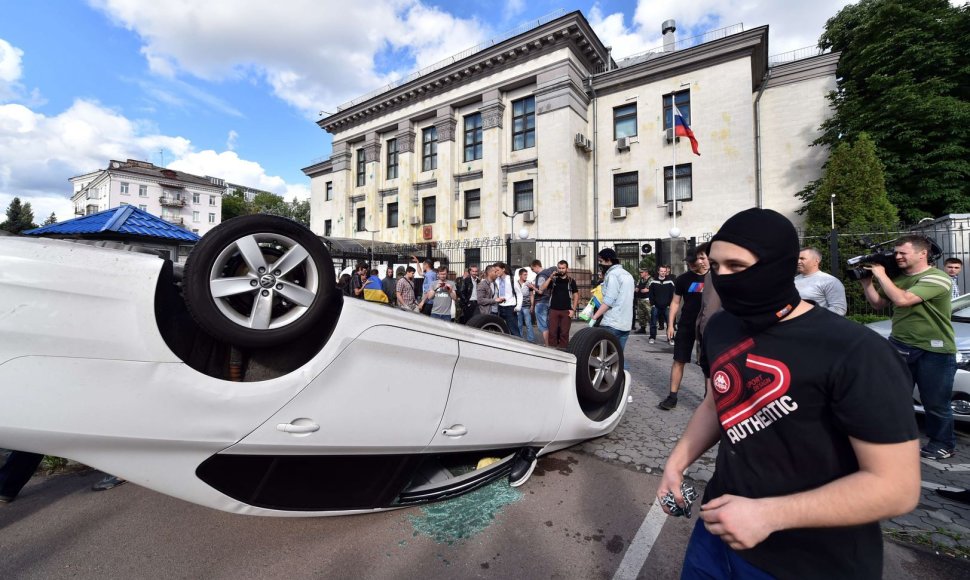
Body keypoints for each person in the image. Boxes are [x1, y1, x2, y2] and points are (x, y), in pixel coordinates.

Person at [658, 208, 920, 580]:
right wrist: (676, 462)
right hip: (717, 533)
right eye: (716, 266)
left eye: (737, 265)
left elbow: (896, 487)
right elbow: (721, 399)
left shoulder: (857, 352)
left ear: (779, 266)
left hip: (810, 560)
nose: (724, 277)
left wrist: (769, 515)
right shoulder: (722, 328)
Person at [860, 234, 958, 460]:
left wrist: (882, 275)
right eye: (896, 253)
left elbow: (903, 300)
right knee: (894, 397)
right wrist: (867, 283)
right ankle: (897, 441)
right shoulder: (900, 278)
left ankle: (943, 444)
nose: (897, 257)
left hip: (935, 350)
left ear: (922, 253)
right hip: (900, 345)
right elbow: (878, 304)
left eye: (903, 253)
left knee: (935, 402)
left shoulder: (938, 278)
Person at [659, 246, 709, 410]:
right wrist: (670, 325)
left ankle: (708, 400)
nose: (690, 265)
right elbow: (674, 302)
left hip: (708, 325)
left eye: (693, 261)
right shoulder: (683, 279)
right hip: (687, 324)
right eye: (688, 262)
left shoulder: (716, 277)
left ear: (702, 260)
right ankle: (672, 397)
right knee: (679, 360)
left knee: (707, 364)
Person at [589, 248, 635, 350]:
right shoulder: (628, 275)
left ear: (608, 260)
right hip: (626, 323)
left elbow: (608, 301)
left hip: (612, 323)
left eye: (601, 261)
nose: (600, 264)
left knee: (605, 356)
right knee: (618, 358)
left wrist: (594, 318)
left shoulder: (613, 275)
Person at [794, 247, 847, 315]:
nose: (798, 262)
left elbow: (839, 310)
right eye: (797, 258)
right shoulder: (794, 280)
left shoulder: (830, 281)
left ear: (816, 261)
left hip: (816, 325)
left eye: (802, 258)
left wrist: (810, 316)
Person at [539, 260, 578, 348]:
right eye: (559, 268)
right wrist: (550, 277)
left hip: (566, 310)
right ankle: (553, 353)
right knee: (552, 333)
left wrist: (573, 310)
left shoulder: (571, 281)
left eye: (563, 268)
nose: (561, 270)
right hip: (554, 310)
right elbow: (541, 288)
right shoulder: (554, 280)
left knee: (564, 333)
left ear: (567, 269)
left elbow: (576, 295)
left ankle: (563, 352)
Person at [648, 266, 675, 345]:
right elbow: (651, 294)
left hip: (667, 306)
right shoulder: (653, 282)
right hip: (656, 306)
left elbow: (672, 295)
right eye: (661, 271)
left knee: (670, 323)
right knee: (653, 323)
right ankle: (652, 337)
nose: (663, 273)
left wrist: (670, 305)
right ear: (658, 272)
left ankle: (671, 338)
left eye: (664, 271)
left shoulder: (670, 282)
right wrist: (652, 304)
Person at [531, 260, 555, 345]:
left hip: (541, 301)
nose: (532, 271)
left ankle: (547, 344)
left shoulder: (541, 275)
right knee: (548, 324)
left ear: (537, 266)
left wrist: (532, 287)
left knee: (543, 325)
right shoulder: (548, 273)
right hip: (548, 300)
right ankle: (550, 343)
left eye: (532, 269)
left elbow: (541, 291)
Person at [495, 262, 521, 336]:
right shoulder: (496, 280)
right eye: (495, 271)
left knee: (514, 331)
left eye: (497, 270)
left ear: (503, 269)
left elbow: (519, 294)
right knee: (501, 330)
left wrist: (518, 306)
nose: (496, 272)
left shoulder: (511, 279)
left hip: (510, 308)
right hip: (500, 307)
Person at [514, 268, 536, 343]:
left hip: (526, 306)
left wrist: (532, 305)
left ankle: (531, 339)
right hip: (518, 307)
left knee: (528, 323)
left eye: (526, 275)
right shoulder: (515, 283)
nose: (526, 276)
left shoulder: (529, 283)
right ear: (520, 275)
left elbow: (531, 295)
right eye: (524, 275)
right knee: (519, 323)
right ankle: (520, 338)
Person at [634, 268, 652, 334]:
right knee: (641, 315)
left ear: (646, 273)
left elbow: (649, 289)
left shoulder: (651, 280)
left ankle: (653, 329)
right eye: (640, 272)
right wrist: (637, 288)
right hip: (640, 299)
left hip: (647, 300)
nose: (640, 273)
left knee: (649, 314)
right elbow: (637, 287)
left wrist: (646, 290)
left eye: (642, 272)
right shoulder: (640, 279)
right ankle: (642, 328)